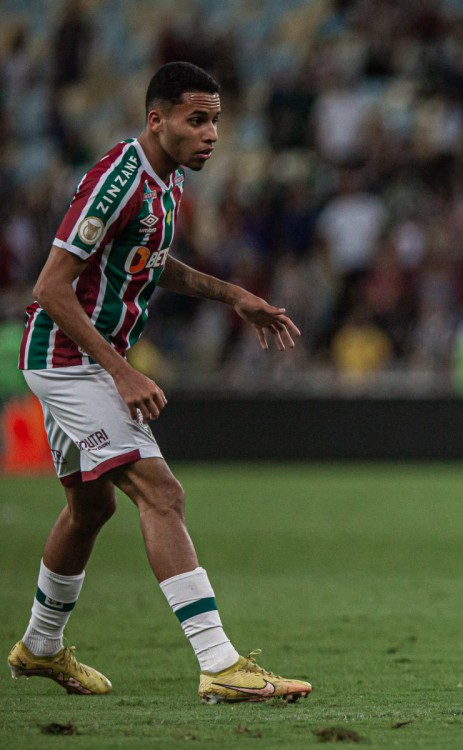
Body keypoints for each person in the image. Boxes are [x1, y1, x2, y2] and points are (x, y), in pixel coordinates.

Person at [8, 62, 311, 703]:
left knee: (91, 507)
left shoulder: (166, 182)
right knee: (162, 493)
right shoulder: (117, 181)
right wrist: (119, 372)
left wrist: (233, 296)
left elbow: (149, 262)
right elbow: (50, 287)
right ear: (158, 119)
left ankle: (39, 648)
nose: (211, 135)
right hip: (68, 358)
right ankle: (220, 663)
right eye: (196, 120)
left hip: (85, 357)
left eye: (216, 122)